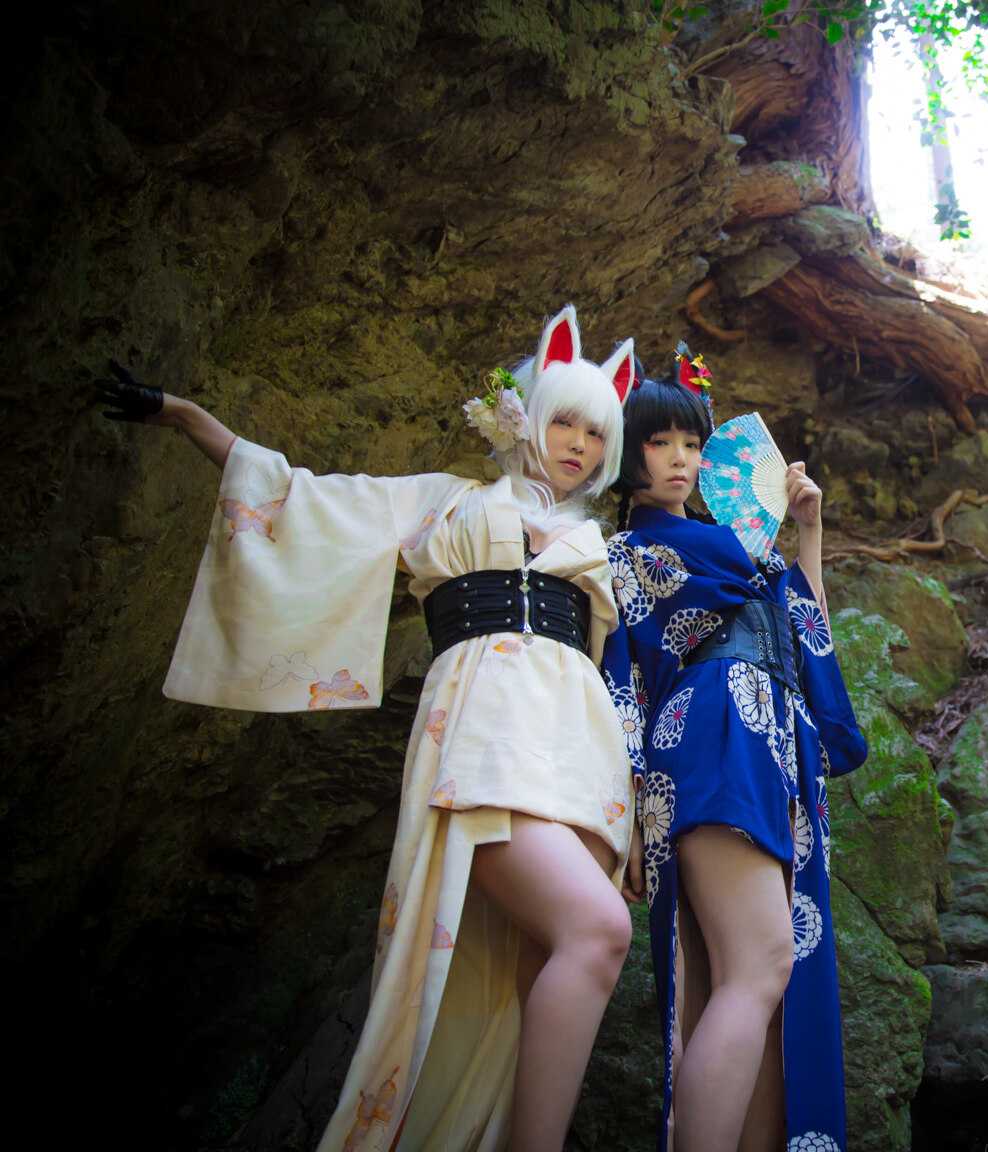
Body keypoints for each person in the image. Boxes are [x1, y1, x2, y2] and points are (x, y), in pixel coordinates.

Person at [96, 305, 645, 1152]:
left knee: (536, 970)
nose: (579, 443)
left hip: (582, 758)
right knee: (598, 931)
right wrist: (185, 416)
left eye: (597, 432)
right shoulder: (449, 502)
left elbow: (633, 675)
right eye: (565, 420)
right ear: (528, 416)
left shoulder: (603, 547)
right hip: (483, 739)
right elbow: (308, 502)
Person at [600, 356, 867, 1152]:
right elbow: (620, 685)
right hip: (714, 728)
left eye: (692, 442)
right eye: (659, 442)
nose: (680, 458)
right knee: (760, 964)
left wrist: (808, 531)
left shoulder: (735, 544)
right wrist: (625, 811)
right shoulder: (625, 551)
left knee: (757, 986)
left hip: (772, 740)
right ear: (628, 453)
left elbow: (802, 627)